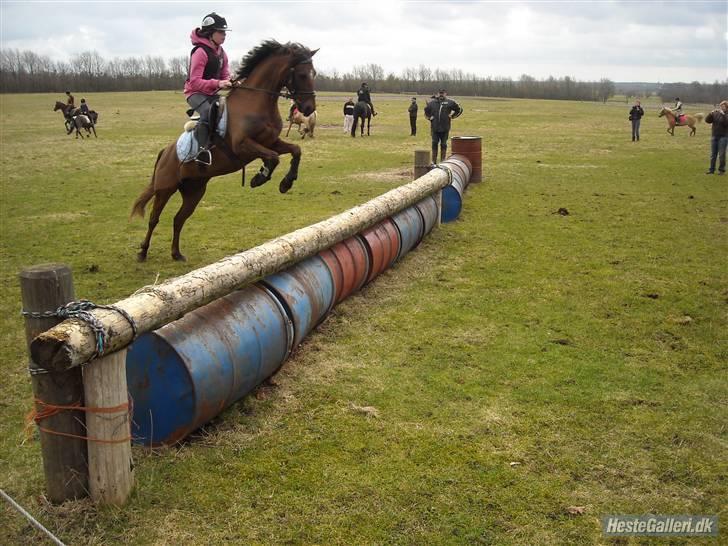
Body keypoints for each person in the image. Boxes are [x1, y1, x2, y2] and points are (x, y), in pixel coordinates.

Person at [183, 12, 232, 165]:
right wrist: (218, 84)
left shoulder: (222, 53)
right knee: (207, 111)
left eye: (225, 32)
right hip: (194, 93)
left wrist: (233, 81)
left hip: (211, 93)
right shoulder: (200, 52)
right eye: (221, 32)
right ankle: (202, 152)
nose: (224, 35)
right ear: (210, 33)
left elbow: (225, 76)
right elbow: (195, 82)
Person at [424, 89, 463, 164]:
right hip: (434, 128)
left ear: (446, 94)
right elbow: (426, 112)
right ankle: (433, 161)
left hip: (445, 128)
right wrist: (429, 118)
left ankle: (443, 161)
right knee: (434, 143)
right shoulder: (432, 103)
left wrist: (452, 116)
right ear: (437, 94)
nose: (441, 95)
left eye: (443, 93)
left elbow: (459, 109)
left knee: (444, 144)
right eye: (440, 93)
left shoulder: (450, 102)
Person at [704, 100, 728, 175]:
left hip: (723, 137)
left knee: (721, 154)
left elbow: (726, 123)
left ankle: (721, 170)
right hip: (714, 136)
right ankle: (711, 170)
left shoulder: (726, 115)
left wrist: (723, 114)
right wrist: (710, 114)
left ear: (727, 108)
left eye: (723, 106)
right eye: (721, 106)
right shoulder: (716, 113)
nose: (721, 108)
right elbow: (707, 121)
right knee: (713, 154)